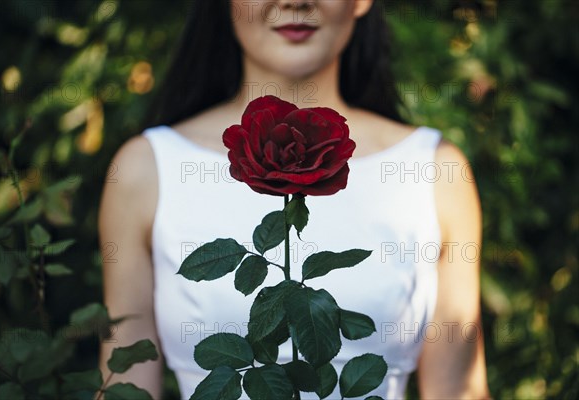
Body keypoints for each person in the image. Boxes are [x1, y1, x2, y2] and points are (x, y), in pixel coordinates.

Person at [98, 1, 491, 399]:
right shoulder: (146, 169)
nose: (294, 1)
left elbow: (458, 390)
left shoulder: (434, 170)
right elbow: (124, 382)